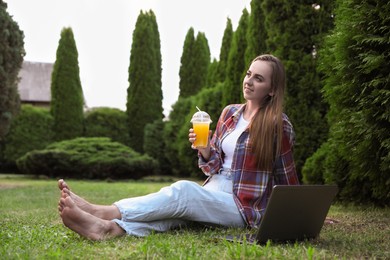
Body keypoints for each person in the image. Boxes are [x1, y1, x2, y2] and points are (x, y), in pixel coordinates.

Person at [57, 54, 299, 240]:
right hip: (214, 189)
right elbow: (212, 166)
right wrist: (204, 149)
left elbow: (286, 177)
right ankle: (107, 229)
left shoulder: (278, 125)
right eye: (249, 74)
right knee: (174, 214)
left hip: (243, 207)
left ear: (273, 88)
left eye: (259, 78)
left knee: (184, 192)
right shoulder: (230, 113)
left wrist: (302, 216)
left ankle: (105, 212)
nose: (249, 81)